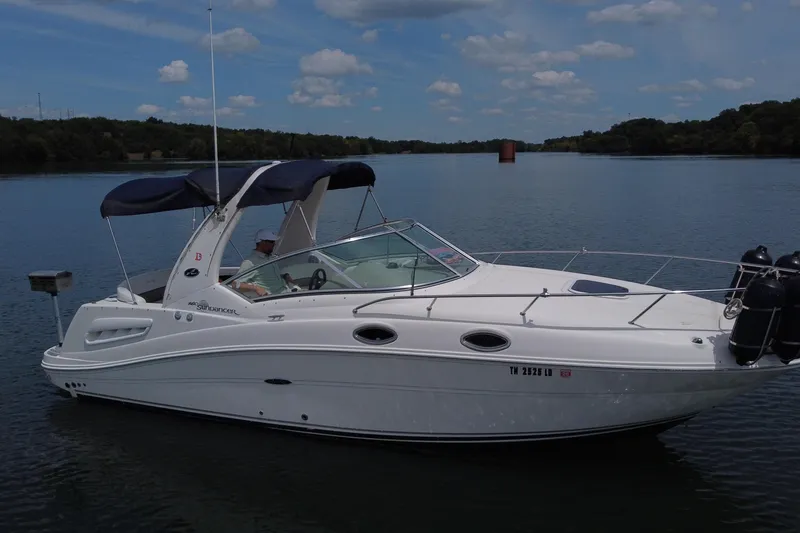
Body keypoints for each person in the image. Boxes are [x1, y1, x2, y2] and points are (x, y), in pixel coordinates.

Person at [232, 229, 297, 297]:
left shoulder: (271, 257)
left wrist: (284, 276)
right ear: (262, 242)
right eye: (271, 242)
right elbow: (235, 284)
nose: (274, 244)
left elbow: (270, 276)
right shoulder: (250, 262)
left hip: (287, 291)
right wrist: (256, 288)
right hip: (276, 298)